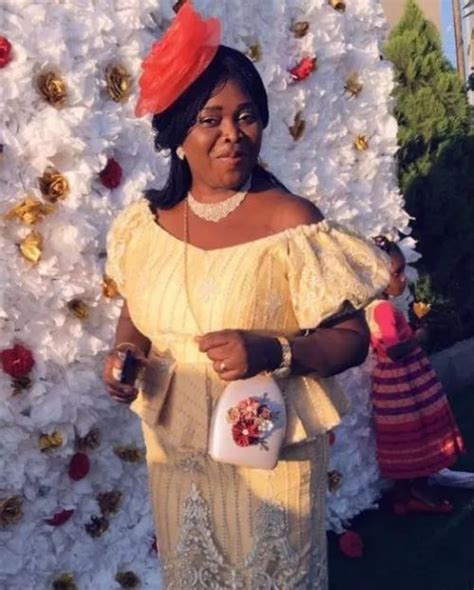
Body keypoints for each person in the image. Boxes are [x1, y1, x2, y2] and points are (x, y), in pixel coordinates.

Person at [103, 5, 389, 588]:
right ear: (179, 135)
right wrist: (125, 360)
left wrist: (274, 352)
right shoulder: (144, 227)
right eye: (210, 118)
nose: (232, 133)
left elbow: (351, 340)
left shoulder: (292, 223)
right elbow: (136, 317)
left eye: (246, 116)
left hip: (268, 457)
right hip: (176, 459)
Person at [366, 237, 465, 515]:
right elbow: (395, 350)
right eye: (395, 274)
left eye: (402, 271)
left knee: (406, 434)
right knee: (419, 430)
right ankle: (417, 488)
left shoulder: (378, 307)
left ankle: (404, 493)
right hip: (404, 382)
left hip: (397, 382)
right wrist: (419, 337)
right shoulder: (383, 309)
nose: (402, 280)